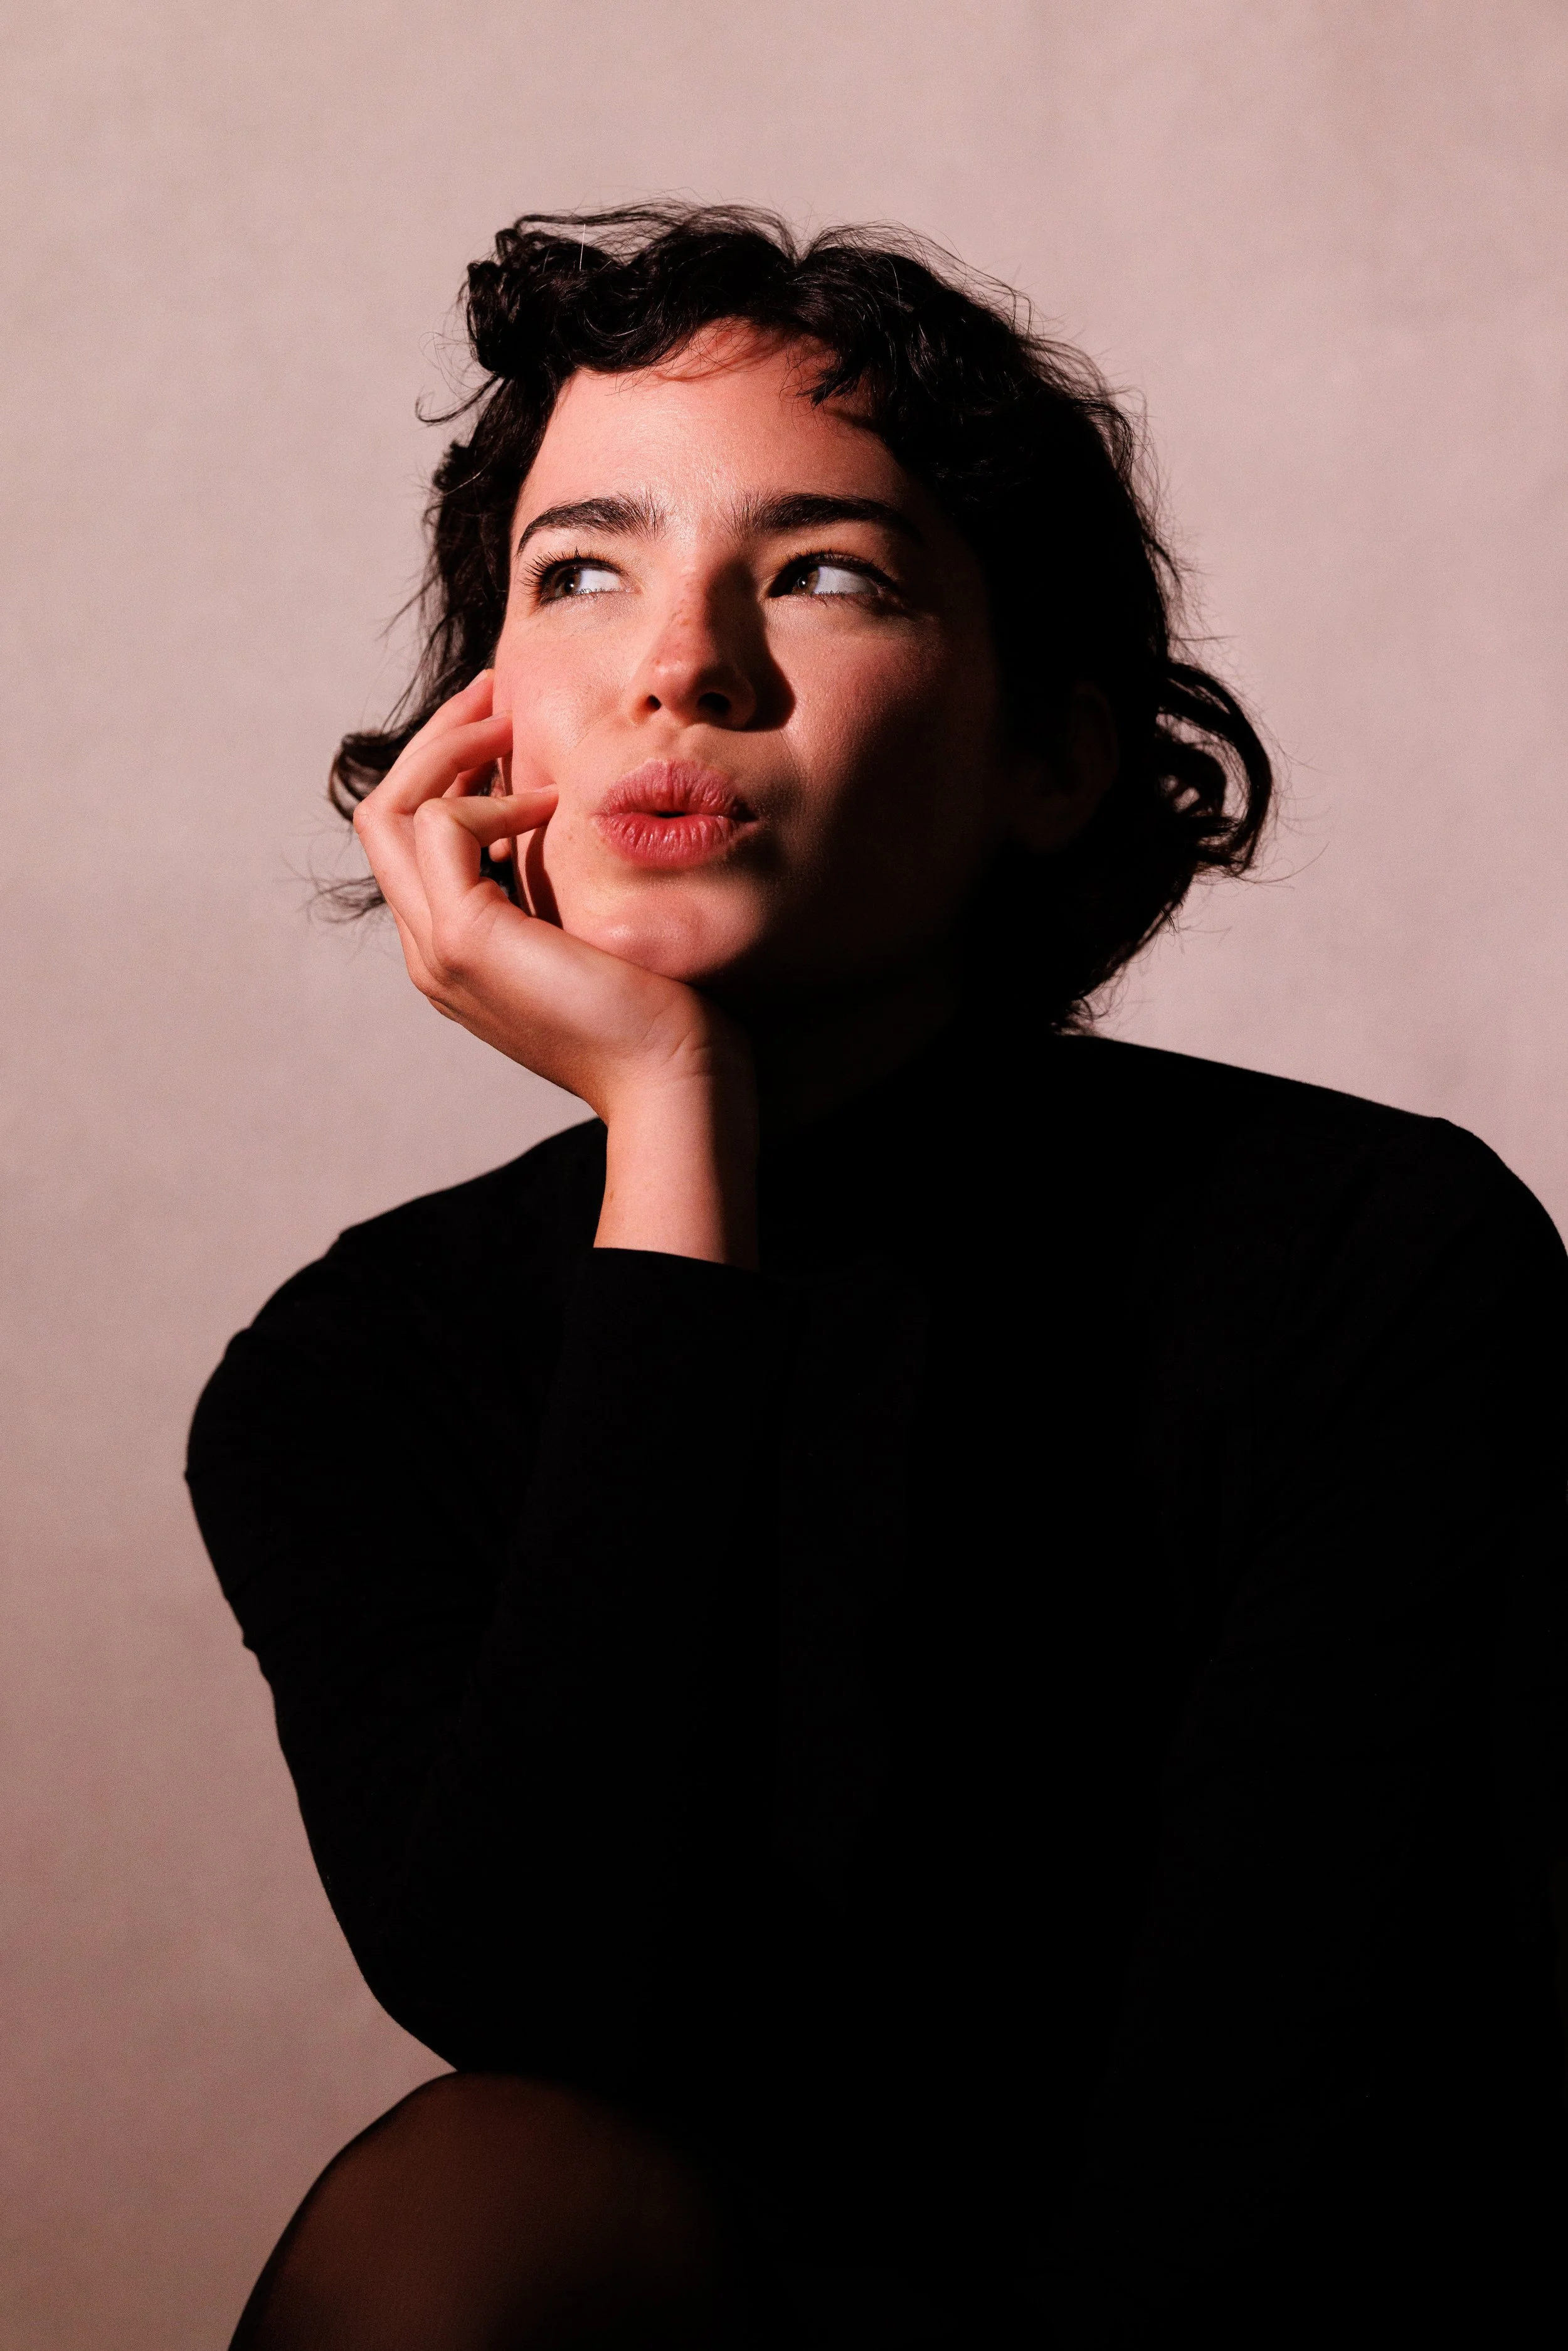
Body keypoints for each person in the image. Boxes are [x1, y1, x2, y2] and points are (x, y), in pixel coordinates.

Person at [187, 206, 1568, 2348]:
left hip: (1309, 2301)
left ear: (1052, 755)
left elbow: (1312, 2100)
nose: (682, 662)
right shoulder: (353, 1372)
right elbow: (556, 2005)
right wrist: (672, 1118)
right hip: (715, 2296)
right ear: (483, 746)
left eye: (822, 571)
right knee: (486, 2201)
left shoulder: (1367, 1256)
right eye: (582, 571)